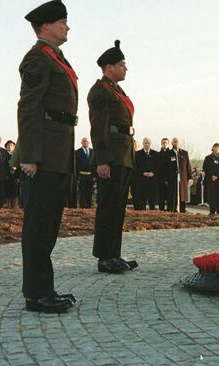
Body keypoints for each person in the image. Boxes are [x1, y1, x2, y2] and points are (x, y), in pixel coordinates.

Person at [17, 0, 78, 314]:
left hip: (57, 151)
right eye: (63, 21)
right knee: (38, 226)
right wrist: (29, 155)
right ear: (46, 26)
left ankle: (44, 287)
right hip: (43, 155)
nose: (68, 27)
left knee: (48, 224)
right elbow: (29, 107)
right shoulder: (38, 59)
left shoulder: (55, 57)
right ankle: (36, 294)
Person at [89, 40, 137, 274]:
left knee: (118, 207)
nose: (126, 68)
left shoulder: (116, 90)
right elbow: (98, 128)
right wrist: (102, 160)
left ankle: (114, 254)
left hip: (123, 155)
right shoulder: (100, 91)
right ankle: (104, 257)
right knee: (108, 206)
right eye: (122, 64)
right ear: (109, 67)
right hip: (112, 157)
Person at [134, 137, 158, 210]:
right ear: (143, 143)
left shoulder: (156, 154)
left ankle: (152, 214)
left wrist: (153, 173)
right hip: (142, 180)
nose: (147, 144)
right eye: (145, 143)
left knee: (152, 199)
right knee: (142, 199)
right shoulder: (137, 154)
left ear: (151, 144)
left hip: (152, 180)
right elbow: (135, 166)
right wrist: (143, 173)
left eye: (148, 143)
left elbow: (158, 166)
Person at [203, 143, 219, 216]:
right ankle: (212, 211)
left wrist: (217, 176)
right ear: (212, 148)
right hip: (210, 179)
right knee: (211, 195)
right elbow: (205, 168)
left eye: (218, 148)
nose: (216, 149)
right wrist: (211, 176)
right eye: (215, 147)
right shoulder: (208, 158)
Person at [171, 138, 193, 212]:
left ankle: (183, 209)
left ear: (180, 143)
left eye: (177, 142)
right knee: (174, 194)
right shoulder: (169, 153)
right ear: (172, 143)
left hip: (183, 177)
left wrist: (190, 177)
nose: (176, 143)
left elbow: (188, 166)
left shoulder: (184, 153)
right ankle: (173, 209)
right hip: (173, 177)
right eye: (174, 141)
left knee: (182, 193)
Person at [157, 137, 178, 212]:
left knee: (170, 195)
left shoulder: (172, 153)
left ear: (168, 144)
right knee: (161, 195)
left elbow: (173, 167)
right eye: (163, 143)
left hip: (170, 178)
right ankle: (161, 209)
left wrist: (168, 178)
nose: (164, 144)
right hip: (160, 178)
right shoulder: (158, 154)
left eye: (166, 143)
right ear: (161, 144)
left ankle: (170, 209)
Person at [75, 138, 96, 208]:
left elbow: (94, 164)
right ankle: (82, 207)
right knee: (82, 192)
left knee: (89, 192)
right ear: (81, 143)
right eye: (83, 141)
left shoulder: (93, 152)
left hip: (90, 175)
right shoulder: (77, 152)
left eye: (86, 141)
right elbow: (76, 165)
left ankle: (89, 206)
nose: (85, 143)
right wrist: (78, 176)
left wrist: (94, 176)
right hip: (82, 175)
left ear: (88, 142)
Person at [4, 140, 19, 209]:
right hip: (7, 176)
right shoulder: (4, 155)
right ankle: (8, 207)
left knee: (15, 193)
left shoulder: (17, 155)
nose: (10, 147)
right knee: (7, 192)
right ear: (6, 147)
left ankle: (15, 207)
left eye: (11, 145)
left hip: (15, 177)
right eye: (8, 146)